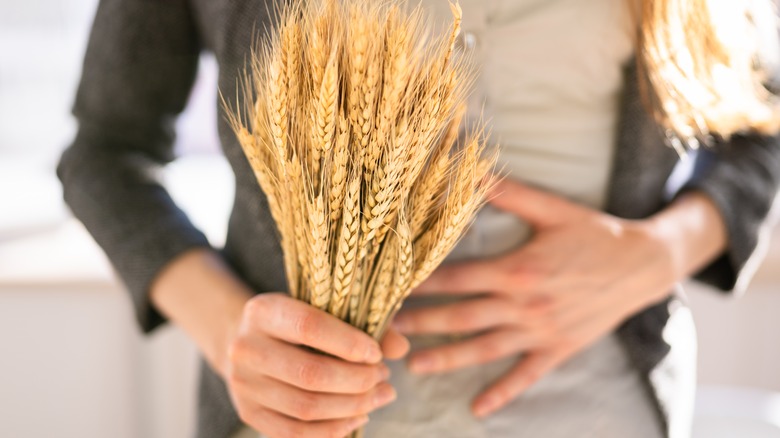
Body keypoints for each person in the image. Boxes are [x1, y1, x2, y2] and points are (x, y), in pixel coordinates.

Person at [58, 0, 780, 437]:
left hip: (599, 415)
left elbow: (762, 119)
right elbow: (105, 152)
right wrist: (232, 334)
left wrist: (660, 249)